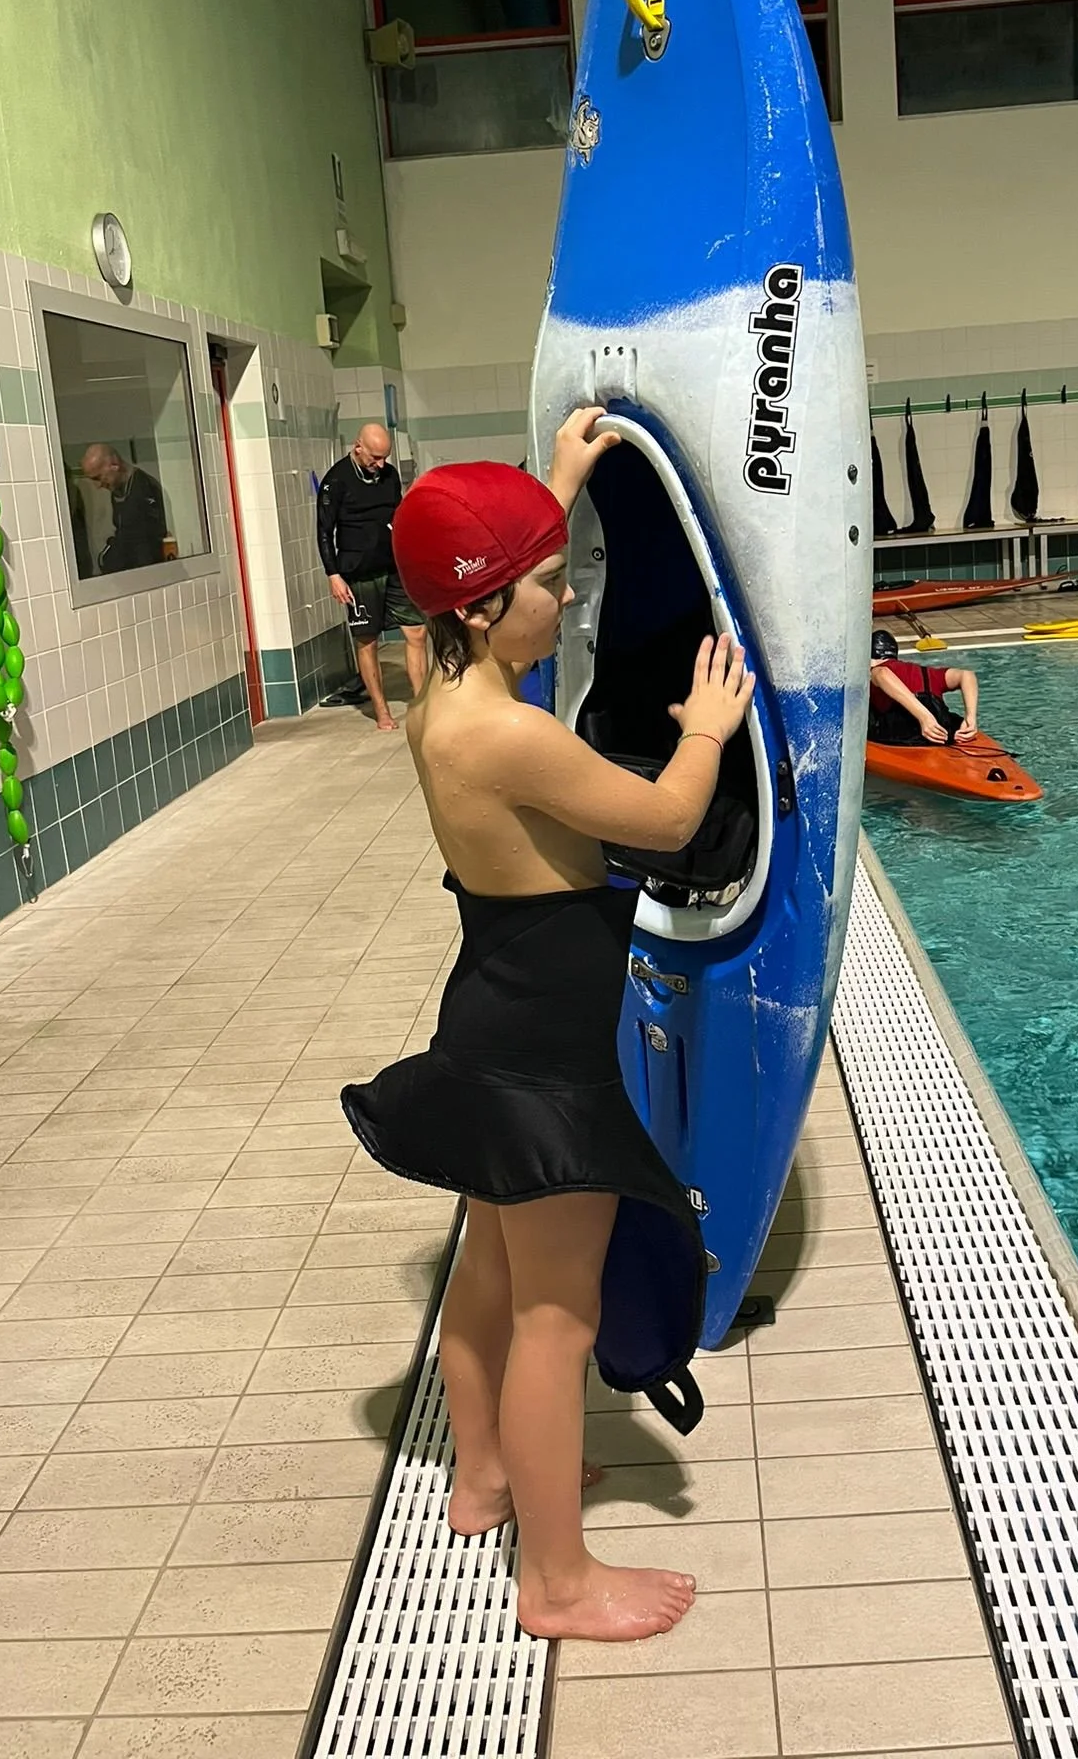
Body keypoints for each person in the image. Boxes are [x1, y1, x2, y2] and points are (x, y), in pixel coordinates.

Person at [339, 410, 755, 1644]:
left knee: (489, 1267)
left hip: (491, 1015)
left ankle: (481, 1477)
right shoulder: (511, 734)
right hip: (546, 1062)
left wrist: (556, 484)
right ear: (481, 609)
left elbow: (476, 571)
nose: (566, 597)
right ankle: (558, 1581)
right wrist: (705, 728)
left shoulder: (439, 691)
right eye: (549, 581)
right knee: (555, 1315)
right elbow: (667, 820)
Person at [317, 423, 427, 729]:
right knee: (367, 641)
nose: (380, 464)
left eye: (384, 458)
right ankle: (382, 711)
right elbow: (324, 532)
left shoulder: (389, 476)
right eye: (374, 457)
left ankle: (423, 704)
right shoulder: (336, 481)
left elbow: (398, 516)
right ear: (358, 447)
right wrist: (333, 574)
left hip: (393, 565)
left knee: (417, 632)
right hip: (358, 571)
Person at [868, 628, 979, 745]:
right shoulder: (926, 671)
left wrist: (925, 718)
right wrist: (970, 718)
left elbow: (881, 673)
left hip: (904, 734)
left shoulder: (876, 671)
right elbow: (966, 674)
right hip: (941, 728)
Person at [80, 444, 169, 573]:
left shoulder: (144, 488)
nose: (98, 485)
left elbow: (148, 541)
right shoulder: (118, 490)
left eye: (98, 477)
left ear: (114, 465)